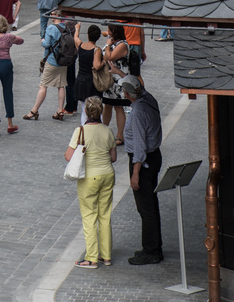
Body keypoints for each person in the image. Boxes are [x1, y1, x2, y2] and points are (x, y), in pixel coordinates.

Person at [65, 96, 117, 268]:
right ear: (101, 112)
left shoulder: (80, 131)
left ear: (86, 112)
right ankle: (106, 255)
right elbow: (113, 157)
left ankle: (92, 257)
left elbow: (68, 156)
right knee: (105, 215)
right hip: (107, 175)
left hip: (89, 177)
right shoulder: (108, 131)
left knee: (89, 216)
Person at [121, 75, 164, 264]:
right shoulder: (148, 98)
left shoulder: (137, 112)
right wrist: (122, 75)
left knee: (146, 208)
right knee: (151, 205)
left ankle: (151, 251)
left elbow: (139, 147)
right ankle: (152, 246)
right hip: (154, 157)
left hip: (143, 162)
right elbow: (140, 88)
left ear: (128, 94)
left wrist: (135, 174)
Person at [23, 18, 68, 120]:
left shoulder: (51, 28)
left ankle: (34, 110)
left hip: (52, 60)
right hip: (63, 61)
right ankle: (60, 110)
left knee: (43, 86)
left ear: (55, 16)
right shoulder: (66, 27)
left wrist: (42, 41)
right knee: (61, 86)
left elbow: (47, 44)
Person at [101, 23, 131, 146]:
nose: (107, 32)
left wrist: (107, 45)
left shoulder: (122, 45)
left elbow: (110, 57)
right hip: (109, 80)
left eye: (109, 30)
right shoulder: (113, 43)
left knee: (118, 107)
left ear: (113, 31)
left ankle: (120, 135)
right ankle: (103, 131)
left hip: (119, 80)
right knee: (107, 105)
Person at [74, 23, 103, 123]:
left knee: (84, 109)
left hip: (81, 79)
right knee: (97, 108)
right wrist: (104, 61)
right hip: (92, 81)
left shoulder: (81, 45)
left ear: (88, 35)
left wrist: (77, 28)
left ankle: (84, 129)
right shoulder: (97, 50)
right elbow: (96, 66)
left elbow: (75, 38)